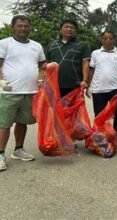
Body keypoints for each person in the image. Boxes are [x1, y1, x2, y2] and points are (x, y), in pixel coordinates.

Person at [0, 15, 47, 171]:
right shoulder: (4, 43)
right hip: (8, 92)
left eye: (26, 26)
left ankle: (18, 149)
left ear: (30, 28)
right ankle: (0, 154)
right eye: (20, 26)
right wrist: (0, 81)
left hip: (31, 91)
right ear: (13, 27)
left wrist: (51, 67)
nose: (23, 29)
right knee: (4, 124)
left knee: (23, 122)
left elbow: (42, 65)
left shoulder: (36, 46)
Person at [88, 31, 117, 148]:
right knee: (100, 115)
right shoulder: (95, 53)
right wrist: (89, 86)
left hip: (116, 89)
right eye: (105, 38)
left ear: (114, 40)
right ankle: (102, 136)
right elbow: (92, 70)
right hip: (98, 89)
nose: (108, 40)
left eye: (110, 38)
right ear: (102, 40)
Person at [46, 19, 90, 97]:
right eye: (66, 27)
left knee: (73, 109)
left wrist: (85, 80)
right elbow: (46, 64)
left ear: (75, 31)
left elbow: (85, 63)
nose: (69, 29)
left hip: (75, 86)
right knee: (55, 109)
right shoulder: (51, 45)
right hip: (54, 85)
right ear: (60, 30)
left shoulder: (82, 45)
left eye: (72, 27)